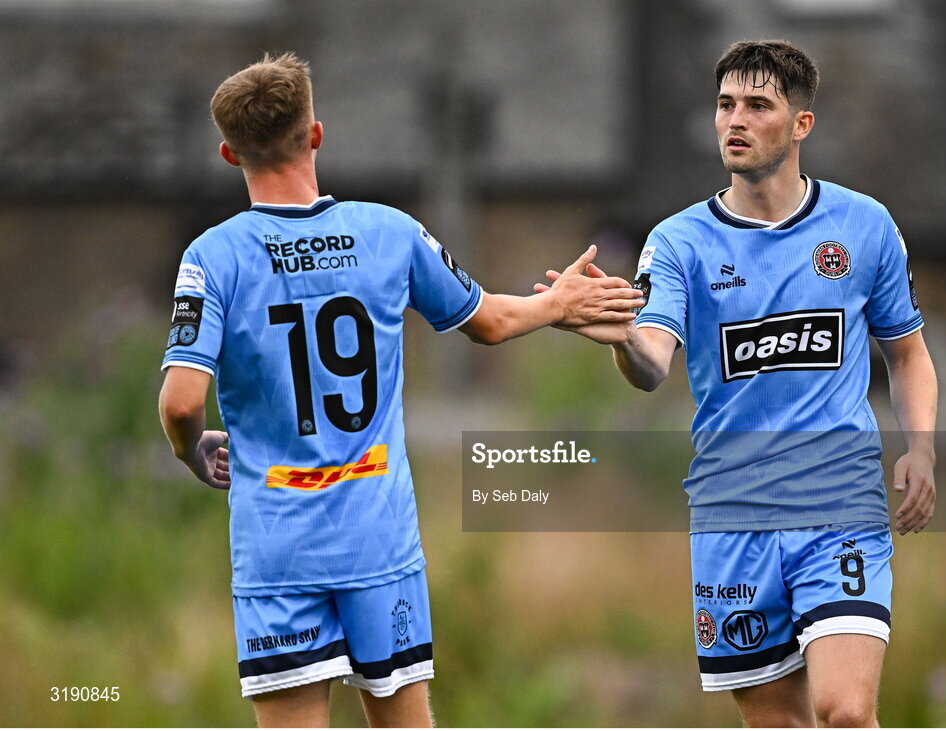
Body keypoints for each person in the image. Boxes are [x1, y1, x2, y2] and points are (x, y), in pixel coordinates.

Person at [157, 52, 642, 728]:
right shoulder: (387, 231)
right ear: (315, 134)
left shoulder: (212, 256)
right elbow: (491, 322)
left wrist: (190, 449)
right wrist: (557, 304)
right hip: (376, 539)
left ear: (228, 153)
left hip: (278, 547)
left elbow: (181, 401)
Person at [537, 40, 937, 727]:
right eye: (725, 105)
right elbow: (651, 362)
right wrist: (616, 336)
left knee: (843, 709)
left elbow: (907, 354)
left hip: (836, 504)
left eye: (757, 105)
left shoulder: (862, 226)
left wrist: (920, 446)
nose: (735, 120)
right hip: (730, 516)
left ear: (800, 124)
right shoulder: (678, 242)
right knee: (775, 720)